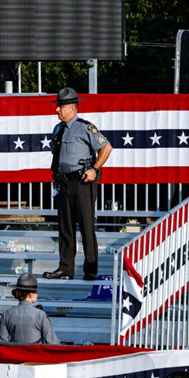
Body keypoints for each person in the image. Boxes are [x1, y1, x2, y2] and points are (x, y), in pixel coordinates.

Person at [44, 87, 113, 281]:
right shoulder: (58, 130)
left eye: (60, 106)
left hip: (82, 182)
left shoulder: (85, 127)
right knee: (65, 227)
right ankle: (66, 267)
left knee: (86, 226)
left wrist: (95, 169)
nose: (57, 110)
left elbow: (106, 147)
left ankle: (90, 269)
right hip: (64, 183)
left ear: (72, 109)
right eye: (57, 106)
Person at [0, 273, 60, 344]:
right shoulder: (40, 315)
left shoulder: (6, 314)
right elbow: (52, 343)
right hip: (35, 354)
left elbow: (2, 344)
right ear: (31, 294)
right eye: (36, 291)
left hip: (15, 354)